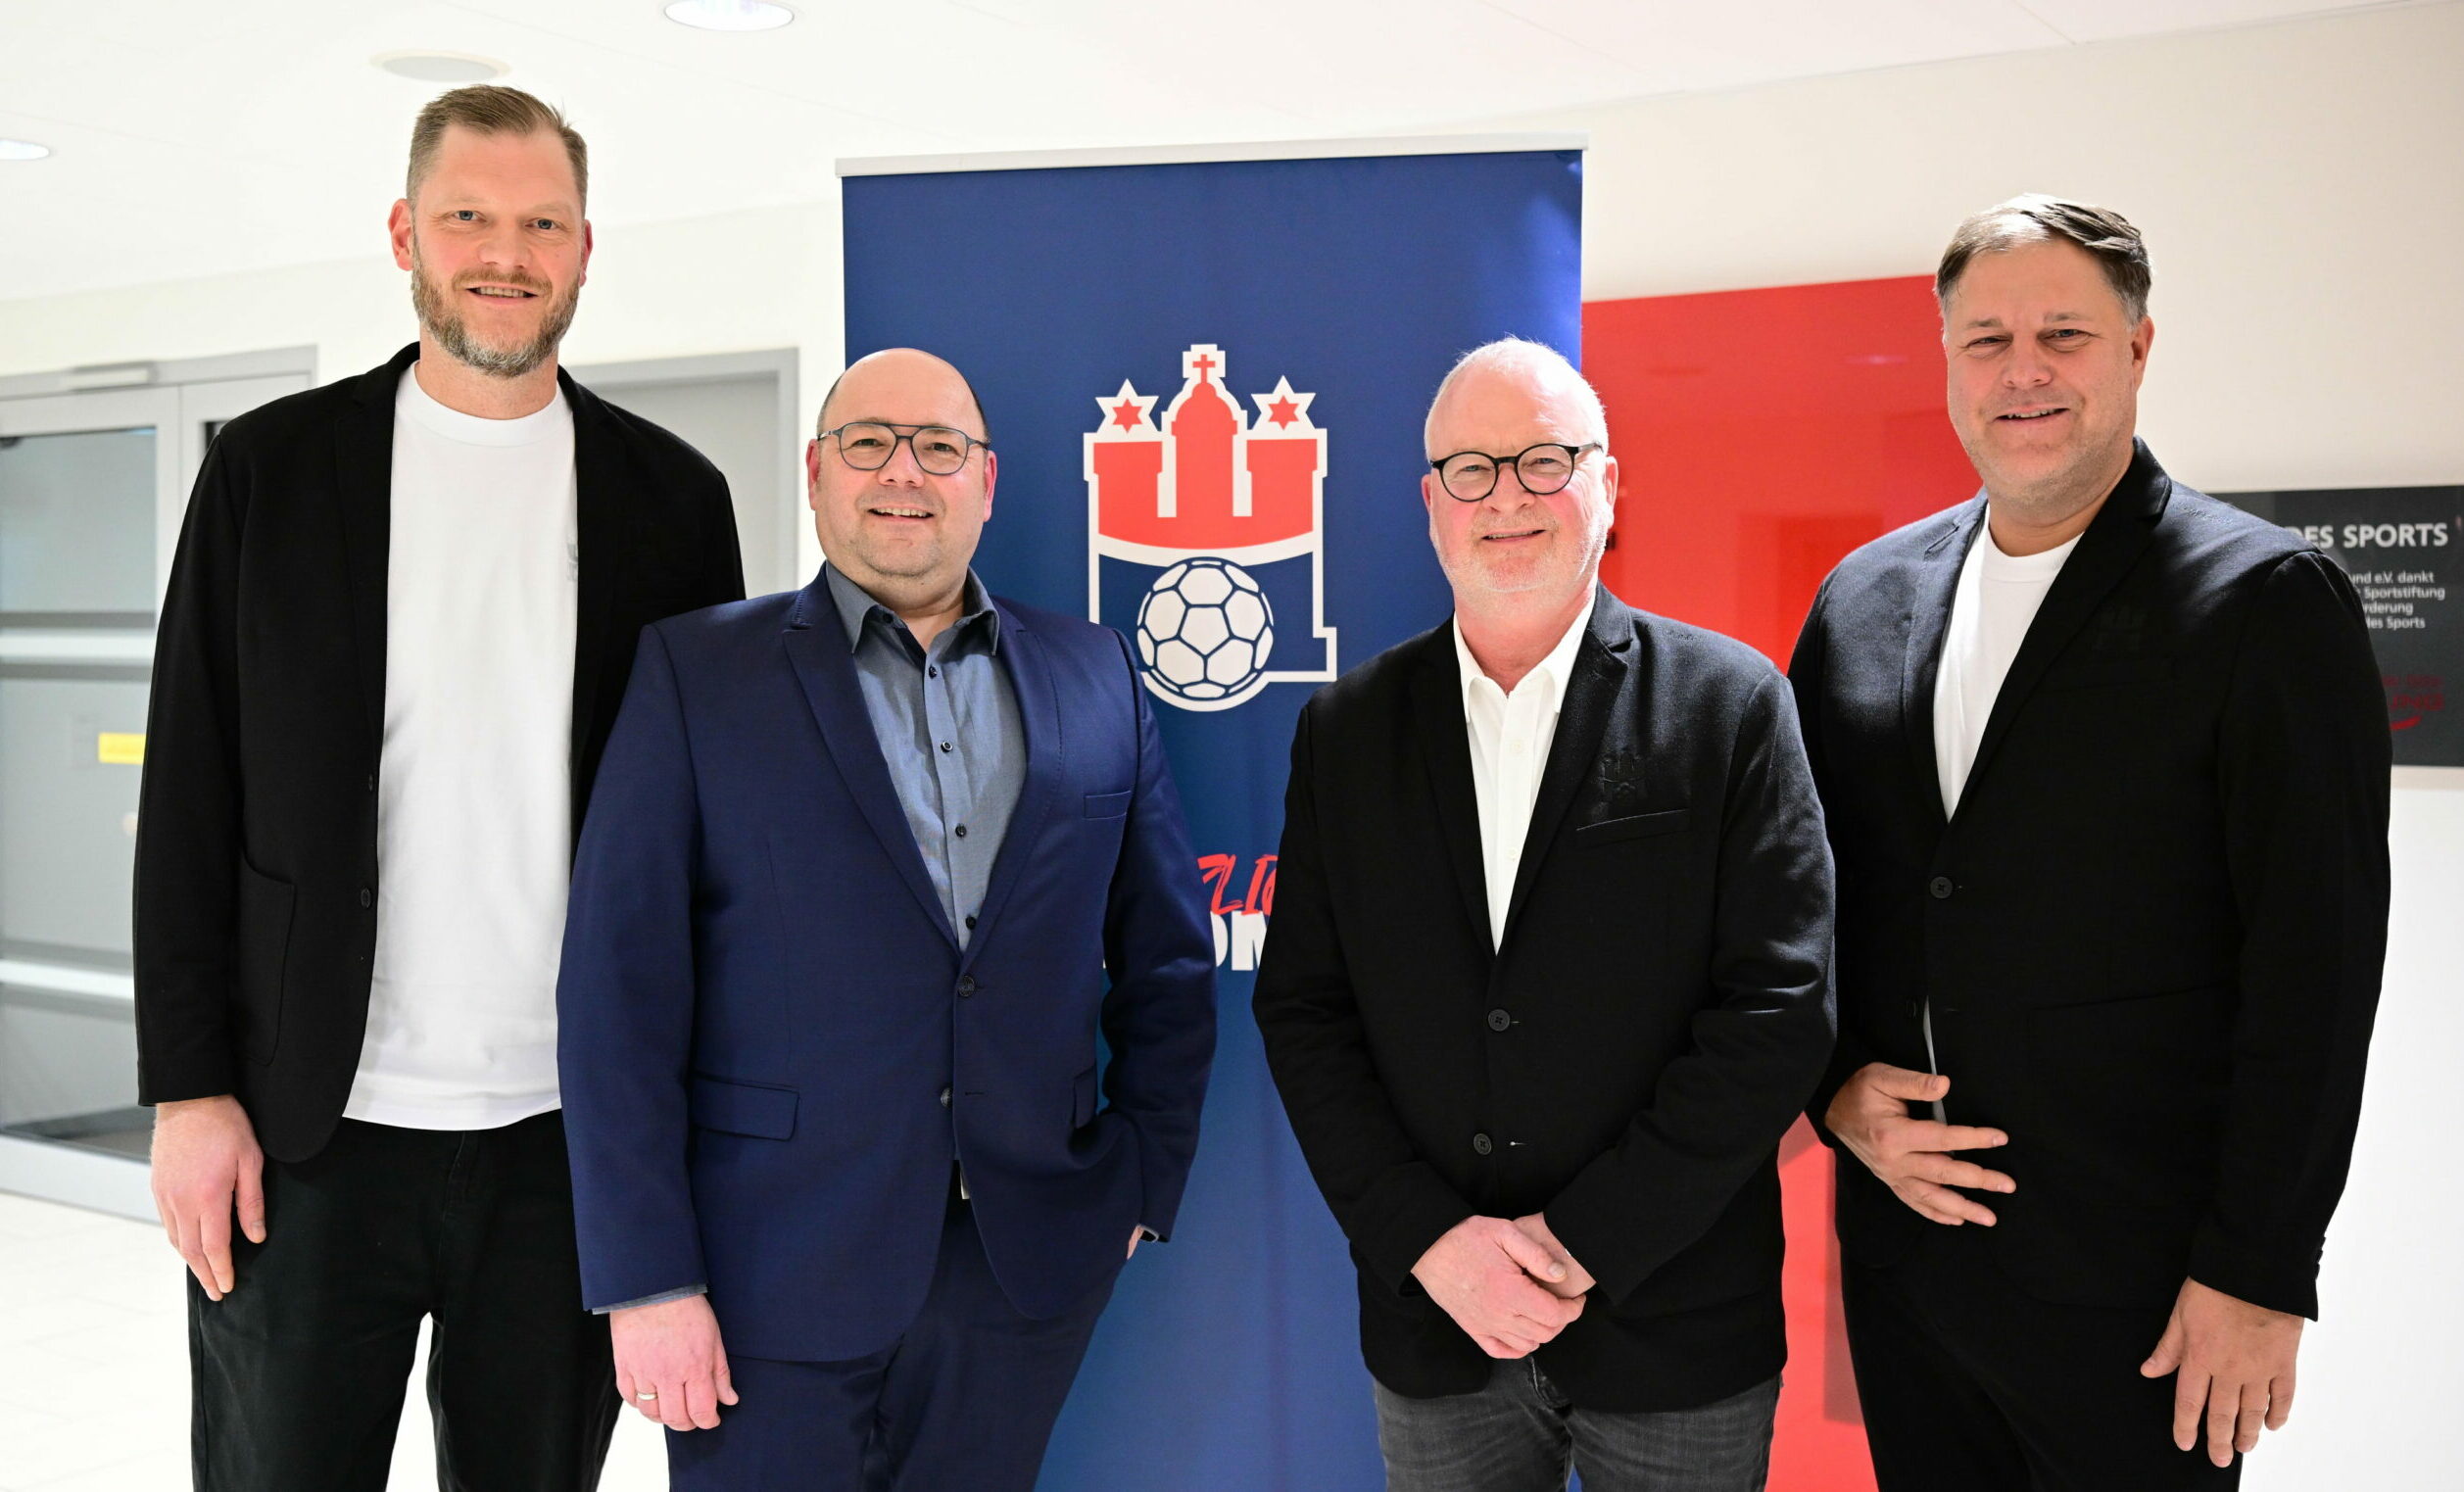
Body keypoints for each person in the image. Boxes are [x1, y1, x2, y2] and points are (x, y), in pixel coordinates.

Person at [134, 85, 744, 1490]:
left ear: (584, 247)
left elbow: (702, 837)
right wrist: (188, 1090)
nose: (505, 253)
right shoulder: (271, 471)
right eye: (468, 215)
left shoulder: (673, 498)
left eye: (542, 223)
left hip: (564, 1138)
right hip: (305, 1129)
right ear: (407, 233)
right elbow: (191, 792)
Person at [1791, 195, 2391, 1490]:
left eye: (2061, 333)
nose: (2021, 370)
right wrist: (1829, 1090)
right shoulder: (1860, 599)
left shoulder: (2263, 602)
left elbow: (2317, 964)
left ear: (2136, 347)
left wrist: (2257, 1268)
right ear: (1946, 360)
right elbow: (1801, 901)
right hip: (1906, 1262)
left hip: (2144, 1286)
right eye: (1985, 338)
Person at [556, 346, 1217, 1490]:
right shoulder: (696, 673)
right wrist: (647, 1278)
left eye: (938, 447)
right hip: (764, 1274)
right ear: (817, 473)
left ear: (986, 481)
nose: (903, 471)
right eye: (867, 442)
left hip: (1021, 1275)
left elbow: (1164, 960)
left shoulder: (1097, 673)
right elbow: (619, 993)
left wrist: (1140, 1183)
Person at [1252, 338, 1835, 1492]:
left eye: (1544, 460)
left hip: (1675, 1323)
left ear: (1606, 483)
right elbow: (1306, 1011)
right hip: (1437, 1326)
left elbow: (1779, 1011)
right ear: (1430, 503)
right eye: (1470, 468)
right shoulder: (1345, 732)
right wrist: (1429, 1241)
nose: (1505, 496)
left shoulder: (1730, 705)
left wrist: (1580, 1246)